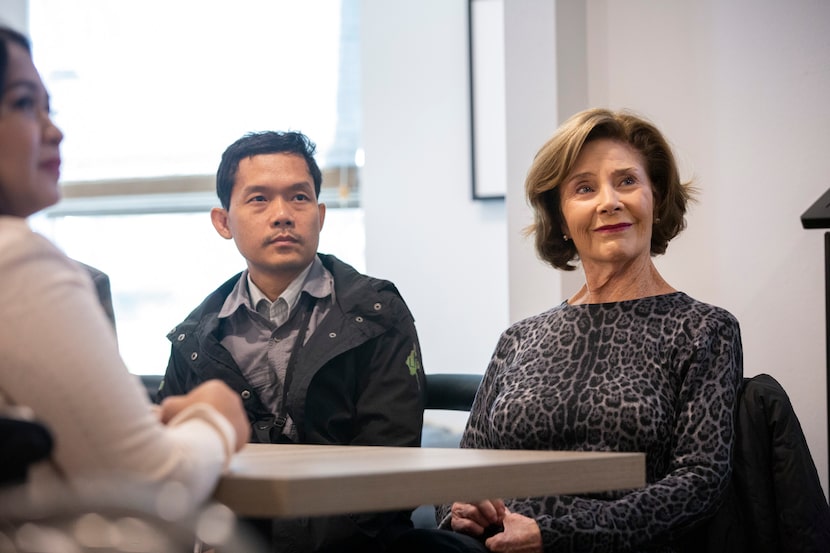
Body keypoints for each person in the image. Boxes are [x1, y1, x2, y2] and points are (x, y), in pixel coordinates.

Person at [393, 108, 744, 553]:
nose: (609, 201)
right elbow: (467, 472)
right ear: (560, 219)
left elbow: (700, 484)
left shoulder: (703, 330)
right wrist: (460, 509)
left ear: (655, 197)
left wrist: (554, 536)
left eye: (627, 182)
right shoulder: (519, 339)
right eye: (584, 188)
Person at [0, 25, 250, 515]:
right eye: (25, 104)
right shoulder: (17, 259)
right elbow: (153, 486)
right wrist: (217, 420)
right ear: (223, 219)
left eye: (50, 107)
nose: (54, 130)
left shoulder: (376, 306)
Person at [157, 130, 426, 552]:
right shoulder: (196, 336)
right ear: (223, 222)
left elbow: (388, 464)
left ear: (319, 214)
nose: (282, 214)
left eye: (299, 198)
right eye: (259, 198)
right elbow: (173, 470)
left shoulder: (376, 313)